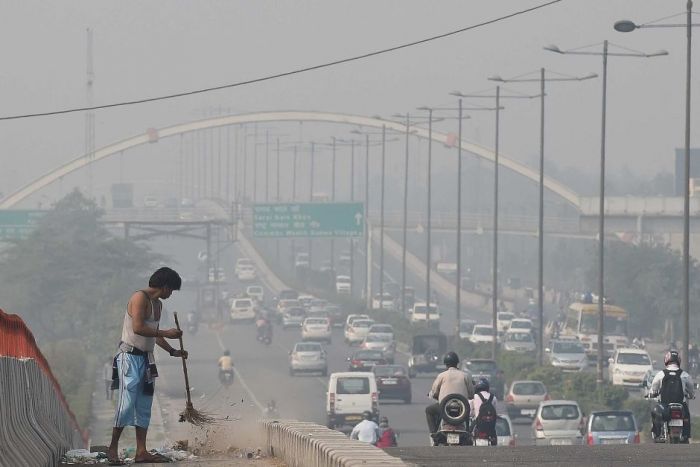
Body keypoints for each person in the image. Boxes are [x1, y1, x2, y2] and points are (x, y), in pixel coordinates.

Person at [107, 267, 187, 465]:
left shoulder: (158, 305)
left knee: (144, 406)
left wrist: (173, 351)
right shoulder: (139, 298)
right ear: (165, 286)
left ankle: (141, 451)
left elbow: (155, 334)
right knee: (126, 404)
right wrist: (166, 333)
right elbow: (139, 328)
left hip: (146, 359)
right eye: (172, 290)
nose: (171, 294)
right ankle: (112, 448)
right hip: (129, 357)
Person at [425, 351, 475, 443]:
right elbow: (471, 394)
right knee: (470, 413)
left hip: (444, 407)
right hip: (462, 408)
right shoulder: (465, 375)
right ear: (457, 363)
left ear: (446, 364)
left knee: (429, 411)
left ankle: (433, 433)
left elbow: (434, 392)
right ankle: (468, 431)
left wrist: (436, 396)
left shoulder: (441, 376)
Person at [649, 350, 695, 441]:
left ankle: (658, 434)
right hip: (680, 405)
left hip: (664, 406)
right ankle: (685, 435)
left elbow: (654, 388)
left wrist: (652, 393)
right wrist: (691, 395)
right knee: (686, 417)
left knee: (655, 413)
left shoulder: (660, 374)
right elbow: (691, 389)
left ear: (666, 360)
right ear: (678, 361)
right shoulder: (684, 375)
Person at [470, 378, 499, 445]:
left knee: (469, 433)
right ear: (487, 387)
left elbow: (471, 412)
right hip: (490, 425)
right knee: (494, 435)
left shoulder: (474, 396)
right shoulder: (493, 397)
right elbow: (495, 412)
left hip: (478, 423)